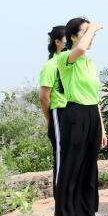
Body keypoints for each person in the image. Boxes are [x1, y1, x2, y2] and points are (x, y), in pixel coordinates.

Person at [53, 17, 106, 216]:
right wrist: (92, 27)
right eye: (85, 32)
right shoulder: (66, 58)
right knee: (71, 170)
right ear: (73, 36)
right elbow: (81, 48)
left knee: (88, 171)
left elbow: (95, 97)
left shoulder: (89, 62)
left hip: (92, 115)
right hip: (74, 115)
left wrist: (101, 127)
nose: (91, 37)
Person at [39, 25, 67, 188]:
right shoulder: (51, 66)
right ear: (57, 42)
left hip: (73, 111)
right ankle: (60, 199)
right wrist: (49, 118)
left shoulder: (72, 63)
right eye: (67, 39)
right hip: (59, 112)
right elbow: (44, 97)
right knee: (61, 158)